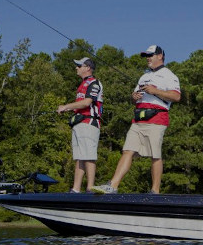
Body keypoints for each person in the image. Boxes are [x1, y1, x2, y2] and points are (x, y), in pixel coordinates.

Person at [93, 45, 180, 194]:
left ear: (160, 56)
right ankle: (112, 186)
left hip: (157, 119)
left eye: (151, 55)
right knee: (127, 151)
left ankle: (155, 190)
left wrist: (155, 91)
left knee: (155, 155)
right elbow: (134, 97)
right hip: (138, 119)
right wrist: (133, 97)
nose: (148, 58)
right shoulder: (144, 76)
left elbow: (177, 96)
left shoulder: (169, 75)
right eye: (147, 55)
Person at [55, 57, 104, 193]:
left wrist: (66, 106)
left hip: (89, 123)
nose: (76, 68)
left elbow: (86, 102)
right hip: (79, 123)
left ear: (87, 68)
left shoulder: (94, 83)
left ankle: (90, 188)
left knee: (89, 156)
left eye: (79, 65)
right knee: (79, 157)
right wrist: (69, 108)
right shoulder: (82, 84)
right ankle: (75, 189)